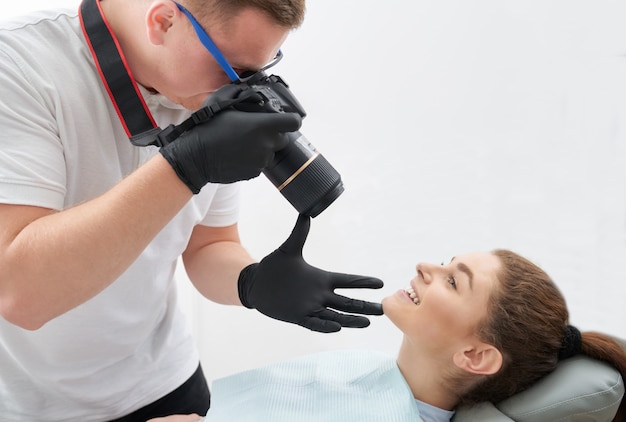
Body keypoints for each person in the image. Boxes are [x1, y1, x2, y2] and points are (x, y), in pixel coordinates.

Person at [0, 1, 384, 421]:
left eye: (258, 68)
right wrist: (184, 167)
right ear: (163, 21)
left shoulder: (197, 89)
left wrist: (250, 282)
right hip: (35, 406)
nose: (240, 86)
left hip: (167, 384)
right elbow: (20, 295)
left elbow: (209, 244)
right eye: (233, 68)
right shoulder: (19, 66)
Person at [160, 248, 626, 421]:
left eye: (452, 280)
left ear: (476, 355)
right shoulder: (367, 365)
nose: (426, 266)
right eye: (447, 260)